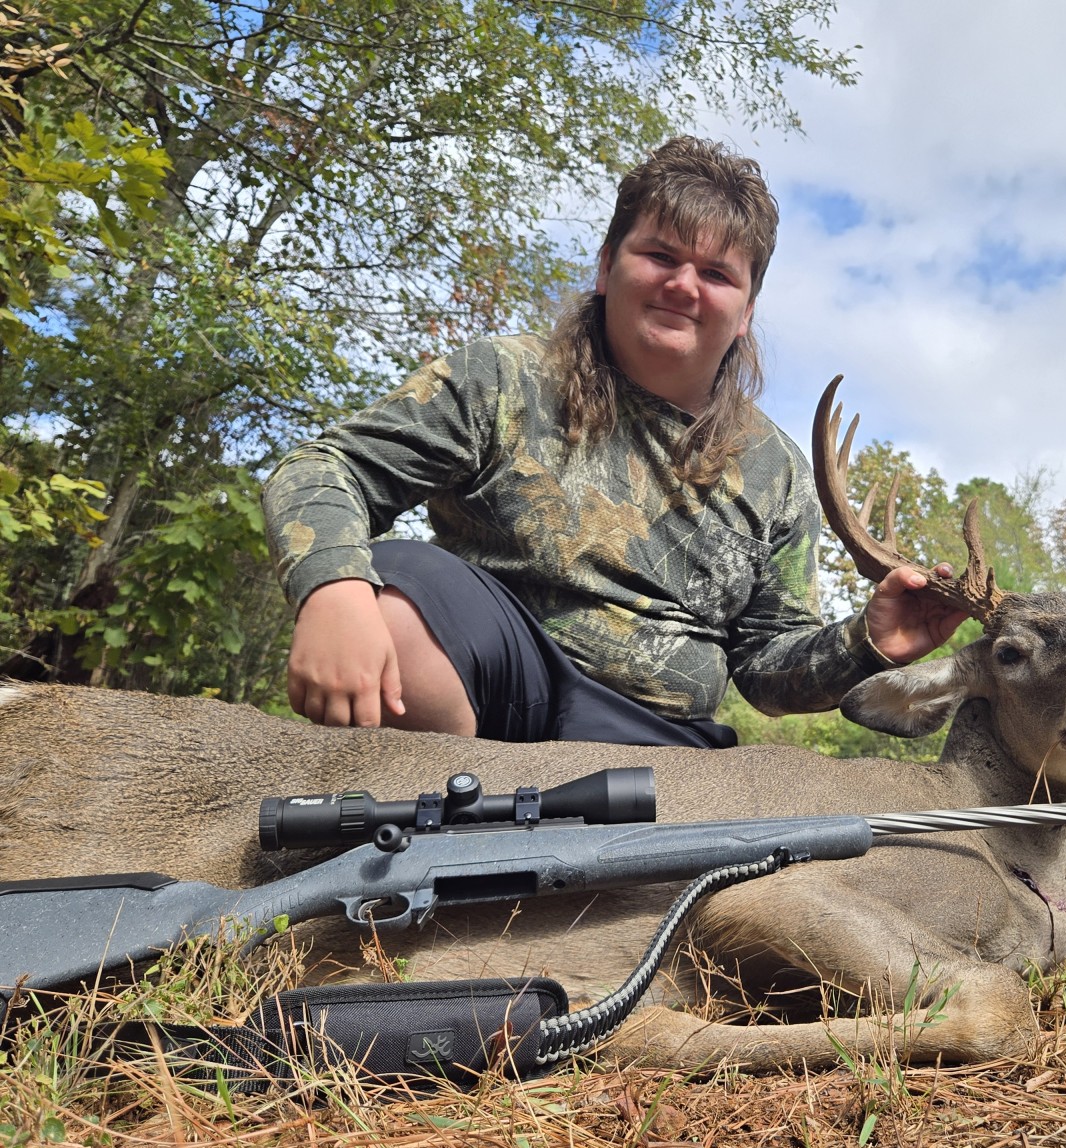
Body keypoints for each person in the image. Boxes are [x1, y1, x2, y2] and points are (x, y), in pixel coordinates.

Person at [263, 137, 966, 748]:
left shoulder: (775, 470)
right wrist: (334, 588)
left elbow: (765, 670)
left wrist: (869, 640)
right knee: (394, 595)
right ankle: (444, 818)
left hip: (661, 740)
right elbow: (326, 468)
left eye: (717, 273)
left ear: (746, 310)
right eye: (660, 255)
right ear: (607, 267)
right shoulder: (502, 377)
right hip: (495, 691)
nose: (683, 285)